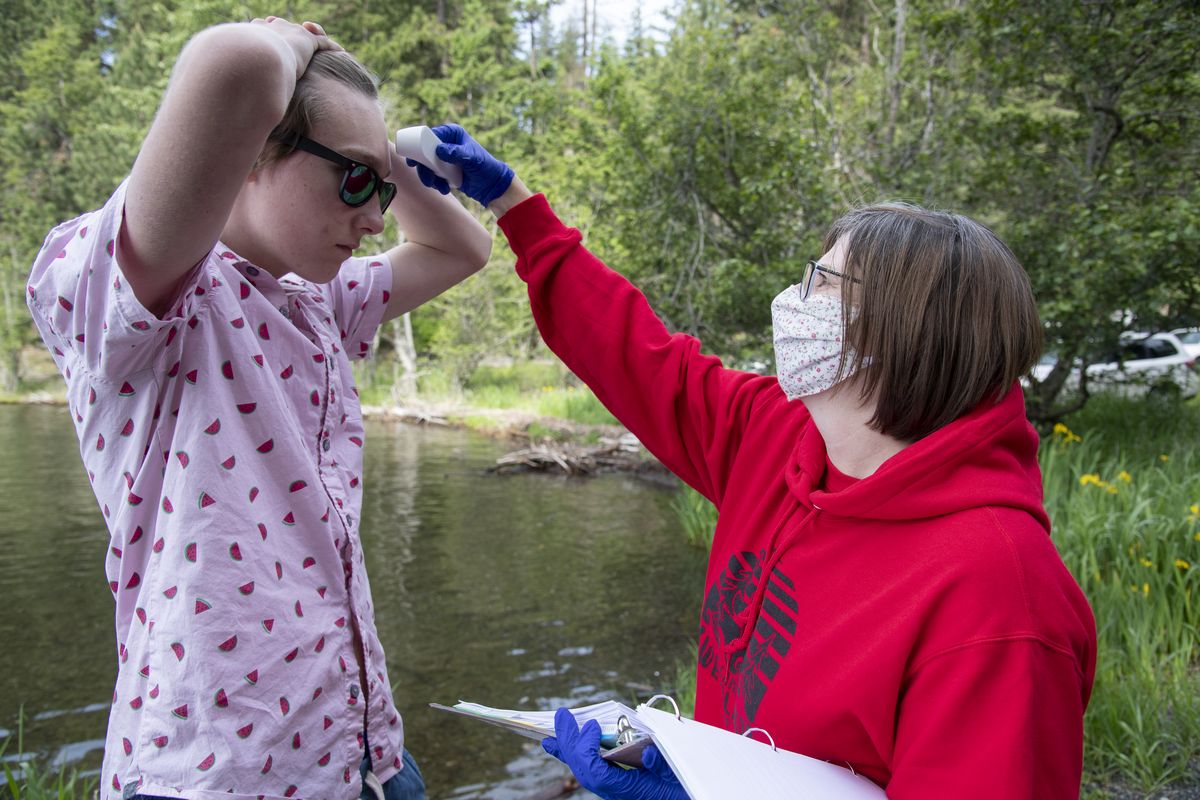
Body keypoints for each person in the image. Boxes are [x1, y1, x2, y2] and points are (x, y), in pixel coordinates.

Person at [407, 125, 1098, 799]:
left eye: (821, 283)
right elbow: (637, 357)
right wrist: (515, 208)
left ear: (900, 332)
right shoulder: (780, 436)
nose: (794, 300)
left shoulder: (1002, 600)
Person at [25, 18, 492, 800]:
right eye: (353, 183)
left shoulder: (319, 301)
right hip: (216, 778)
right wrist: (285, 40)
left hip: (363, 758)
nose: (376, 219)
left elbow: (463, 251)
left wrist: (396, 154)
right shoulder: (146, 307)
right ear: (250, 152)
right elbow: (233, 63)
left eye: (380, 194)